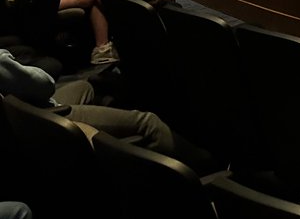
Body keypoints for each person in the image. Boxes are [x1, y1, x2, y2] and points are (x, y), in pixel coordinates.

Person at [0, 47, 211, 170]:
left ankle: (110, 121)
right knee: (148, 123)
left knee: (84, 87)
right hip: (42, 115)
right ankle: (205, 164)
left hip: (24, 108)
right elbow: (45, 85)